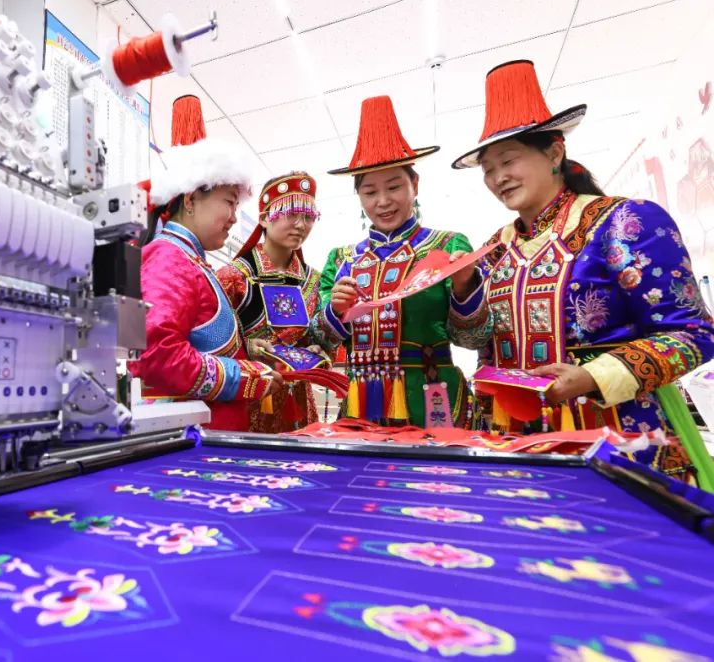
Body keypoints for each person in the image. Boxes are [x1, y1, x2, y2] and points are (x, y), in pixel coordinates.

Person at [452, 59, 714, 478]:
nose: (499, 178)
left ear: (554, 152)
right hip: (515, 442)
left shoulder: (625, 222)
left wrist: (593, 376)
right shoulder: (494, 248)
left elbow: (694, 333)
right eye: (488, 170)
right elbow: (473, 340)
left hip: (618, 438)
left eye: (509, 161)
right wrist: (464, 290)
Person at [315, 96, 490, 428]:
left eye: (394, 186)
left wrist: (465, 286)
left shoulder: (448, 246)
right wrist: (335, 311)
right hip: (362, 402)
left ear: (415, 185)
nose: (383, 201)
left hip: (433, 398)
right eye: (370, 192)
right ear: (359, 197)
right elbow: (322, 339)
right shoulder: (341, 260)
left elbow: (474, 339)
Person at [130, 96, 281, 431]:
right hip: (196, 441)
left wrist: (246, 352)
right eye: (229, 202)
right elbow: (157, 356)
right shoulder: (169, 257)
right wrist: (244, 377)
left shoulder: (189, 260)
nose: (234, 217)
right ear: (190, 200)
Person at [217, 171, 333, 432]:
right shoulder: (234, 277)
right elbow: (210, 344)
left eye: (308, 216)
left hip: (299, 402)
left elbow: (318, 339)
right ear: (263, 218)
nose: (301, 225)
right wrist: (246, 347)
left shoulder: (314, 280)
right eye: (291, 214)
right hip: (249, 398)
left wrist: (316, 349)